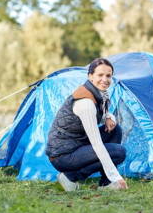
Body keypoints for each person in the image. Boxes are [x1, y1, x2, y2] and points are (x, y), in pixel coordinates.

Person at [46, 58, 128, 191]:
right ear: (90, 76)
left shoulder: (98, 93)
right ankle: (70, 177)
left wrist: (108, 116)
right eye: (100, 75)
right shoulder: (86, 103)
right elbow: (96, 144)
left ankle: (106, 183)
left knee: (115, 130)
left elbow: (102, 111)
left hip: (77, 143)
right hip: (62, 155)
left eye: (108, 75)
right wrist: (116, 177)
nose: (105, 79)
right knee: (119, 152)